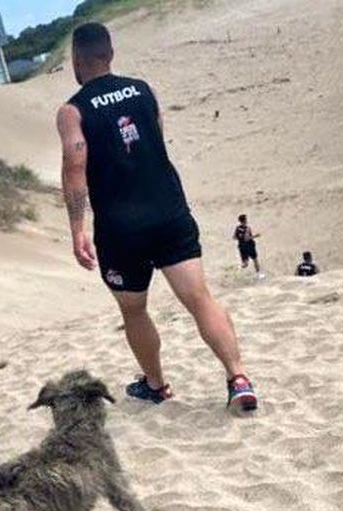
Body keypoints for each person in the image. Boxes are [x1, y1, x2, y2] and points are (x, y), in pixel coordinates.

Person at [56, 22, 258, 413]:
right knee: (200, 300)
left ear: (77, 60)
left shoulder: (72, 110)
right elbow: (156, 139)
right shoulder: (143, 90)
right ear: (110, 54)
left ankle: (157, 384)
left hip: (120, 228)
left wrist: (77, 228)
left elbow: (74, 165)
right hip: (168, 211)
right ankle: (238, 377)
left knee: (134, 310)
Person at [233, 214, 264, 279]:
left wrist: (240, 238)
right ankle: (258, 275)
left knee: (245, 263)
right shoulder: (247, 228)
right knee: (255, 260)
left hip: (241, 246)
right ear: (244, 220)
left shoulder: (237, 228)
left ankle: (237, 270)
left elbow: (234, 237)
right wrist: (256, 236)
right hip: (249, 246)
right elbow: (247, 238)